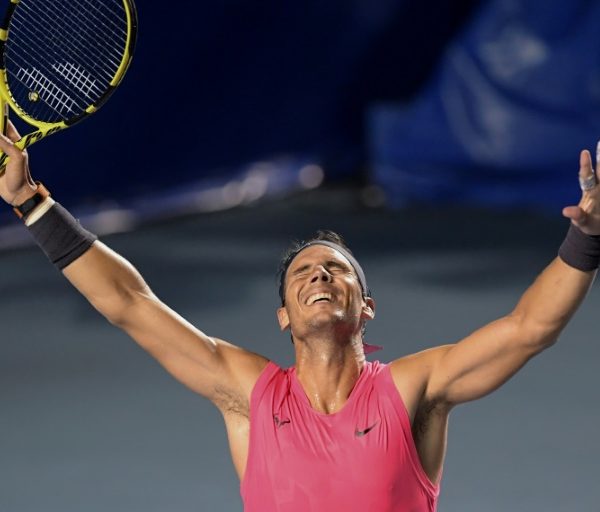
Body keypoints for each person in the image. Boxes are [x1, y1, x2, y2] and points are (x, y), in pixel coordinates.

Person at [1, 122, 599, 512]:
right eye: (303, 272)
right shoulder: (247, 393)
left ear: (365, 307)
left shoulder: (414, 389)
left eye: (337, 270)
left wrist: (588, 239)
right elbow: (130, 304)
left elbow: (530, 329)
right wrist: (31, 202)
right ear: (284, 316)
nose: (319, 275)